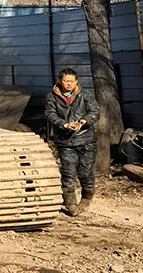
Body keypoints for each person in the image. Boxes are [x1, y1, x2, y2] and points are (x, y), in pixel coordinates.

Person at [45, 68, 100, 216]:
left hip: (86, 140)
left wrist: (84, 121)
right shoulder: (52, 97)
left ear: (76, 81)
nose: (68, 84)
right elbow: (50, 114)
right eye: (65, 81)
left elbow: (95, 111)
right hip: (65, 141)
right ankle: (70, 204)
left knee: (86, 172)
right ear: (60, 81)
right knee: (68, 173)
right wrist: (64, 124)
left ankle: (87, 197)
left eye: (71, 81)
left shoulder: (85, 95)